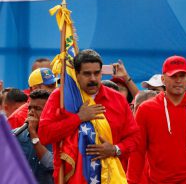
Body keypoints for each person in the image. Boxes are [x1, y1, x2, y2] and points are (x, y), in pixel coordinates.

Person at [38, 49, 140, 183]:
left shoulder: (117, 99)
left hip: (111, 177)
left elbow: (135, 137)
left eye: (97, 73)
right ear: (76, 74)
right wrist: (78, 118)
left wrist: (115, 149)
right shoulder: (61, 97)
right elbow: (44, 135)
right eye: (87, 74)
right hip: (72, 179)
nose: (93, 78)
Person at [131, 55, 186, 184]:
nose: (178, 80)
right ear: (163, 79)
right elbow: (137, 151)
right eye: (173, 76)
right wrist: (132, 181)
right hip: (159, 180)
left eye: (182, 76)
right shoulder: (146, 109)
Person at [14, 89, 53, 184]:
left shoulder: (58, 137)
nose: (31, 112)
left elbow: (50, 164)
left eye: (37, 109)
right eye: (29, 108)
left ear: (49, 111)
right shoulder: (15, 135)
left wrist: (33, 135)